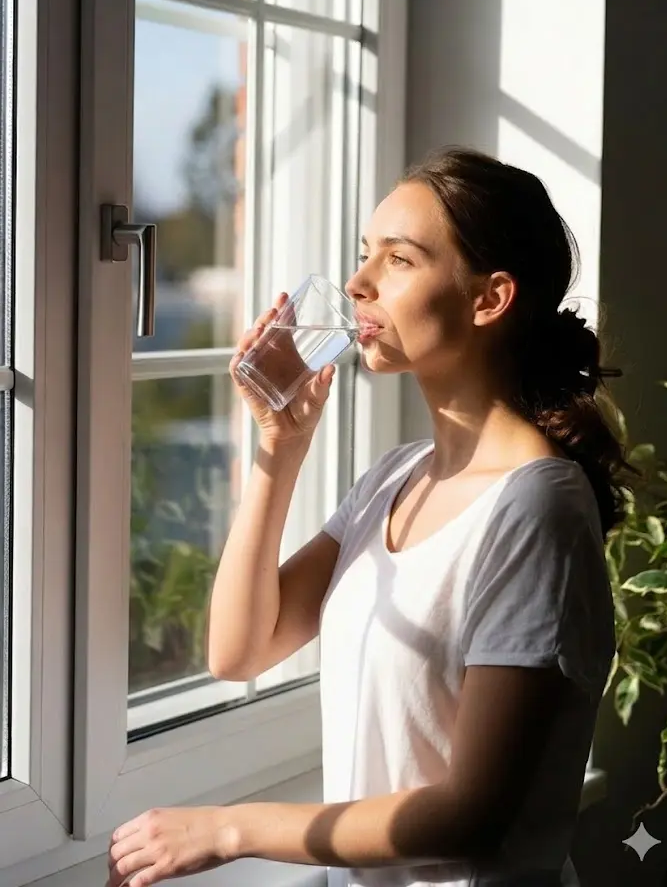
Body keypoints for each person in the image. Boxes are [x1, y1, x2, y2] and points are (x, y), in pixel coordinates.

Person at [107, 147, 624, 887]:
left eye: (399, 259)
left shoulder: (536, 506)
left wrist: (230, 827)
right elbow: (238, 650)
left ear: (489, 298)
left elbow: (473, 813)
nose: (356, 283)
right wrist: (278, 451)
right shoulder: (392, 479)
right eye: (361, 254)